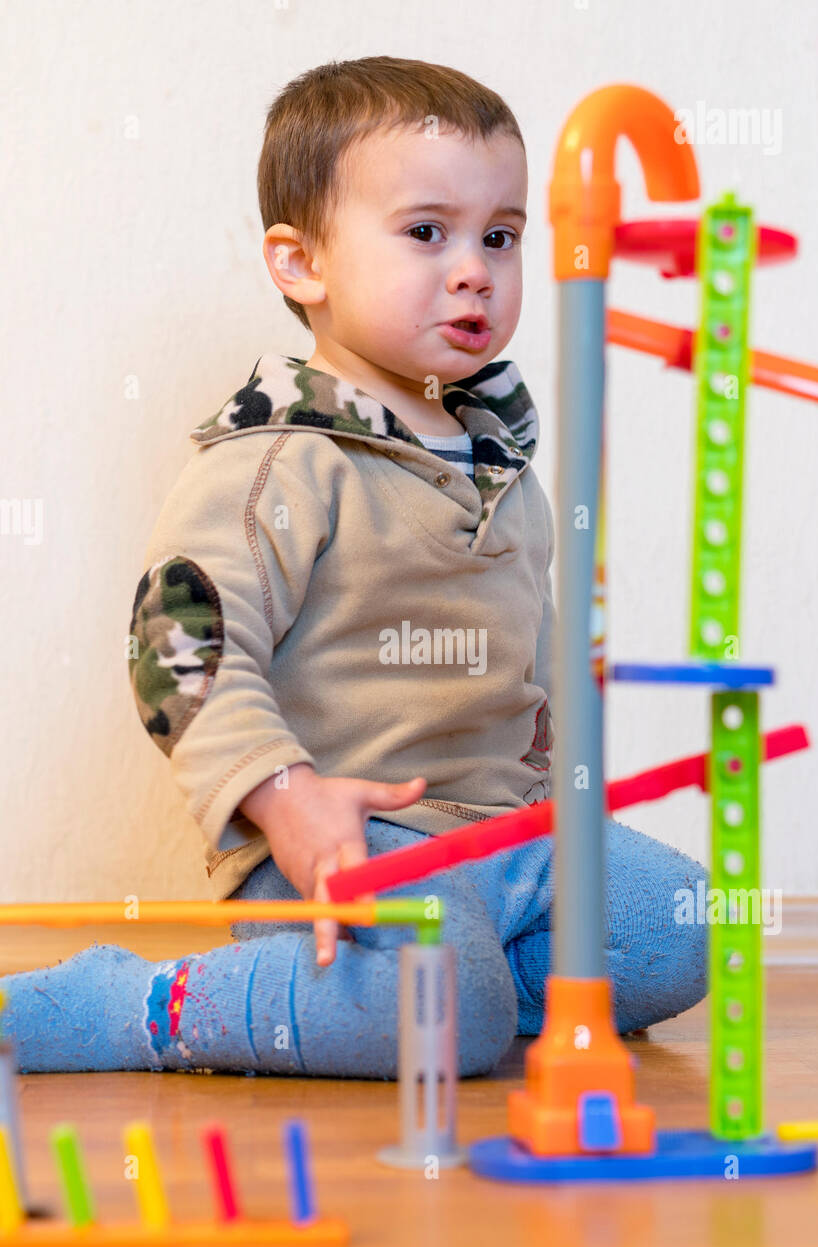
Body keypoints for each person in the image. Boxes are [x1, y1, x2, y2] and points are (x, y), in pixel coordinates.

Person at [1, 57, 706, 1078]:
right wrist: (285, 798)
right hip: (342, 848)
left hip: (504, 837)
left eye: (499, 237)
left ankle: (433, 994)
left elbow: (532, 667)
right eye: (426, 232)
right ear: (301, 265)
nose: (473, 268)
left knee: (680, 928)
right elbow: (176, 644)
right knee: (442, 1009)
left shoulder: (501, 467)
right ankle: (139, 1004)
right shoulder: (282, 459)